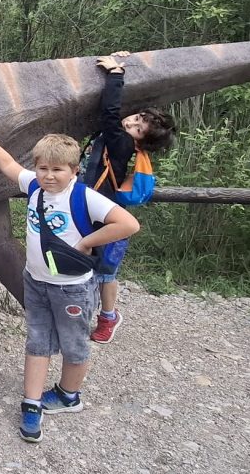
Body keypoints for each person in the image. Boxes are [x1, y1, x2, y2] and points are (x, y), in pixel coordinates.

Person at [0, 114, 140, 443]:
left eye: (57, 169)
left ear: (74, 171)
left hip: (72, 287)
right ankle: (31, 404)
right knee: (37, 341)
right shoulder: (34, 186)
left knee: (74, 344)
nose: (49, 175)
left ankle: (68, 395)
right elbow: (8, 165)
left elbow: (128, 224)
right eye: (43, 168)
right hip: (36, 281)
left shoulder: (83, 197)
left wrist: (86, 243)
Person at [78, 52, 176, 343]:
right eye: (135, 118)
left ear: (141, 140)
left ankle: (107, 317)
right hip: (91, 209)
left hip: (105, 217)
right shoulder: (121, 138)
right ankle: (83, 314)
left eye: (138, 127)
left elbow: (110, 112)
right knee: (89, 266)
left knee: (104, 272)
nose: (130, 122)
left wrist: (116, 75)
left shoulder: (121, 142)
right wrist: (123, 59)